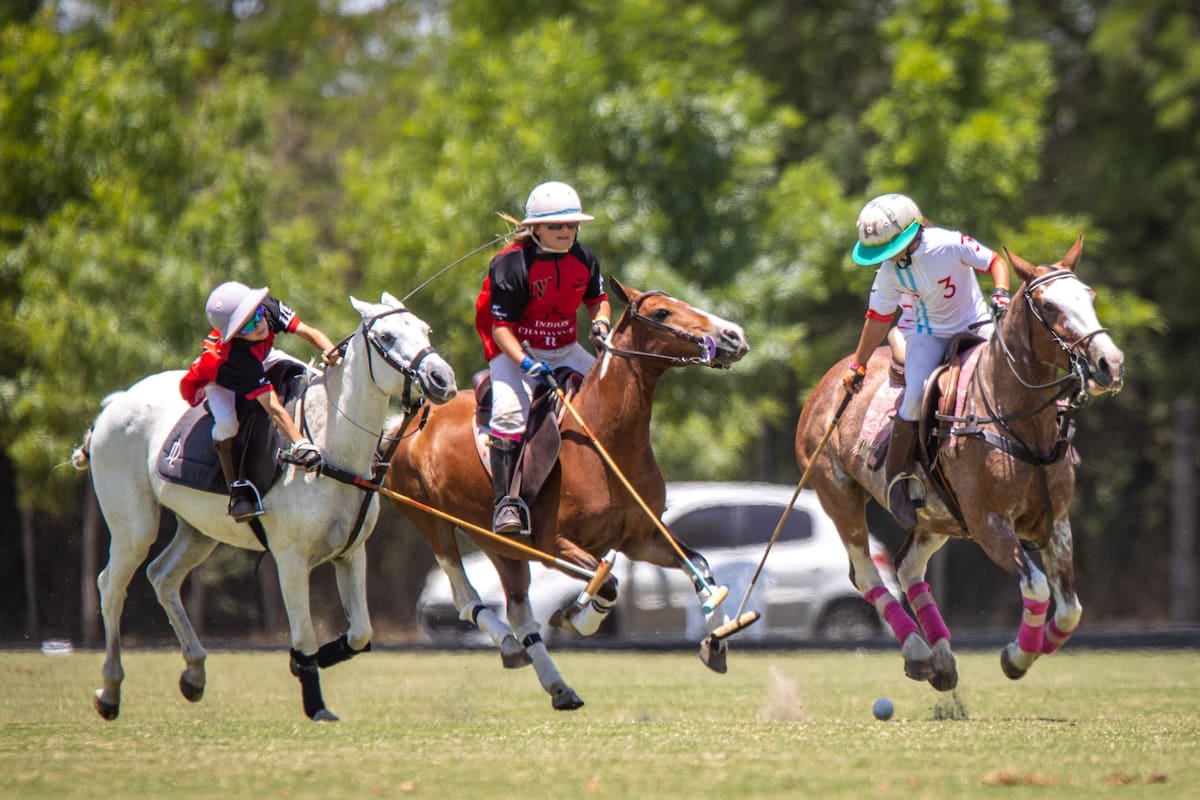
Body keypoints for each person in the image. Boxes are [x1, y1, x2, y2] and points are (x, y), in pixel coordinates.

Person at [842, 193, 1010, 529]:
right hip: (926, 333)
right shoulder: (889, 273)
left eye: (891, 248)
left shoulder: (946, 244)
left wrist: (1001, 292)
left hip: (976, 322)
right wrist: (858, 364)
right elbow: (877, 318)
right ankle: (897, 483)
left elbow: (994, 262)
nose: (887, 258)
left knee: (1012, 366)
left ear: (911, 231)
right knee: (915, 396)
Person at [474, 181, 612, 536]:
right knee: (509, 410)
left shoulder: (584, 259)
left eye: (570, 225)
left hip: (565, 348)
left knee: (612, 399)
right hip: (517, 349)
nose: (565, 232)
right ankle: (508, 503)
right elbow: (501, 328)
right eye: (555, 226)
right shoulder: (510, 266)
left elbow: (598, 300)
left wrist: (600, 322)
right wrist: (524, 363)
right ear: (535, 228)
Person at [180, 281, 340, 522]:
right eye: (247, 328)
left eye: (257, 316)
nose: (259, 327)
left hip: (263, 356)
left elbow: (308, 331)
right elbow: (273, 407)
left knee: (312, 375)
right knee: (228, 424)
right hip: (221, 377)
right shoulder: (235, 358)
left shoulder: (267, 308)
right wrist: (300, 443)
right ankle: (238, 488)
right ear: (236, 335)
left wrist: (332, 350)